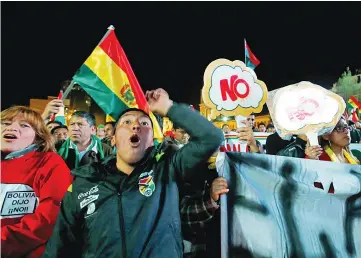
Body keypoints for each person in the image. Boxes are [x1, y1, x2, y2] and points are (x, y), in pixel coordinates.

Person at [42, 88, 224, 258]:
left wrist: (168, 107)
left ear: (152, 140)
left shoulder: (167, 168)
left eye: (144, 123)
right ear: (113, 139)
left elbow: (211, 137)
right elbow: (60, 246)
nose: (135, 126)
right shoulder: (85, 181)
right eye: (126, 122)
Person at [1, 106, 71, 258]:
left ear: (38, 137)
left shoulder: (49, 163)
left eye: (24, 125)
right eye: (5, 123)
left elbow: (49, 219)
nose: (12, 128)